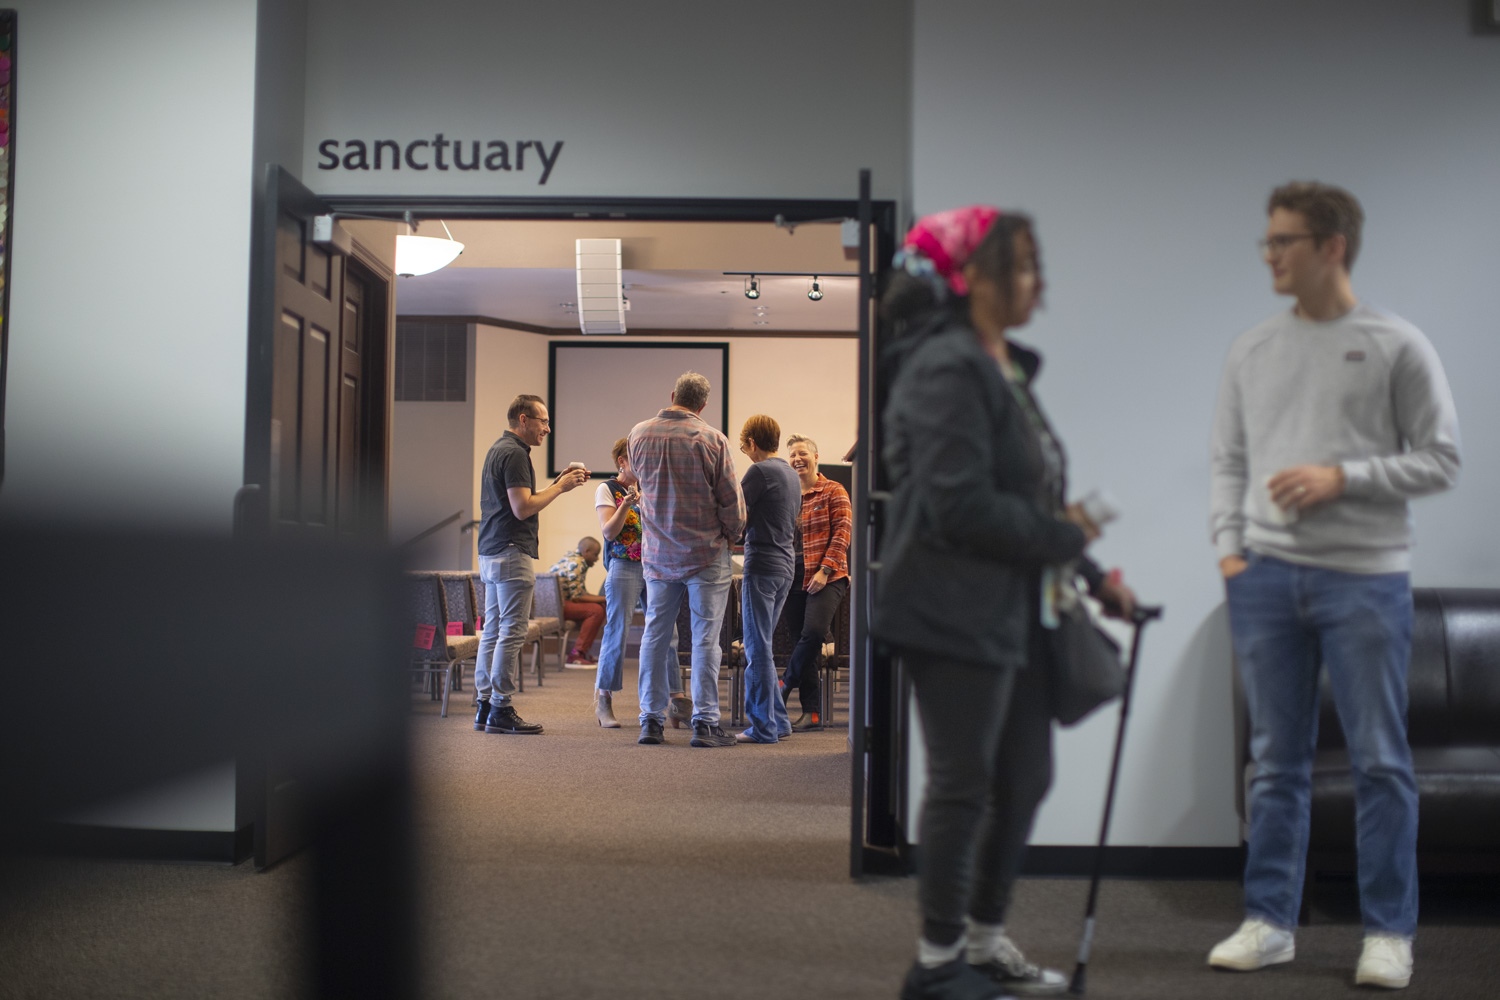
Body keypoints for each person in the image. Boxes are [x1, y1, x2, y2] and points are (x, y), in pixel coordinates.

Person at [874, 206, 1136, 1000]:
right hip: (948, 609)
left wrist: (1091, 575)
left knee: (1024, 778)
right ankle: (938, 962)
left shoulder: (1003, 366)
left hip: (1015, 608)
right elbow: (964, 510)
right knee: (963, 783)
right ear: (973, 278)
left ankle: (985, 943)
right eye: (1023, 264)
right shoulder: (947, 366)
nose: (1039, 282)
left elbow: (1032, 497)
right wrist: (1071, 535)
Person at [1207, 182, 1461, 990]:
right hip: (1267, 580)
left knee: (1381, 760)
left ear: (1331, 247)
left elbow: (1442, 457)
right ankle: (1269, 921)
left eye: (1283, 241)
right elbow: (1229, 463)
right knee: (1275, 763)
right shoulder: (1252, 348)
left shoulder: (1397, 344)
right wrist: (1230, 554)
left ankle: (1388, 933)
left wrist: (1342, 477)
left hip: (1366, 580)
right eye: (1268, 241)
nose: (1270, 255)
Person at [628, 371, 746, 748]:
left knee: (655, 638)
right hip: (705, 554)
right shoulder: (712, 439)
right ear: (703, 405)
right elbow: (732, 503)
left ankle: (650, 720)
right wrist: (732, 534)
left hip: (658, 556)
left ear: (674, 394)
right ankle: (705, 723)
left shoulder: (638, 434)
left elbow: (641, 487)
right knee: (705, 641)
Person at [474, 394, 590, 736]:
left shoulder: (499, 448)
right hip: (511, 551)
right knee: (511, 632)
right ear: (523, 419)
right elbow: (523, 508)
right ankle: (501, 707)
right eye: (543, 421)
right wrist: (561, 489)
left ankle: (484, 705)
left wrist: (556, 485)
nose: (547, 428)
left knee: (493, 631)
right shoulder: (515, 453)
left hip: (491, 550)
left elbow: (518, 498)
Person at [593, 436, 692, 729]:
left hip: (656, 566)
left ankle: (676, 701)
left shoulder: (652, 488)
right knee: (618, 630)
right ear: (622, 462)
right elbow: (610, 532)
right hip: (624, 565)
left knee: (668, 632)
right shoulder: (607, 488)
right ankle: (604, 699)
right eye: (636, 458)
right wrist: (626, 504)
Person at [733, 415, 801, 744]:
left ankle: (763, 727)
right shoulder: (790, 472)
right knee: (764, 646)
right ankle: (781, 721)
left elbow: (735, 513)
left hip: (761, 564)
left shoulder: (759, 471)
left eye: (744, 446)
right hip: (786, 565)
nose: (745, 452)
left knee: (756, 648)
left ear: (753, 444)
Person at [779, 434, 852, 731]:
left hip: (828, 575)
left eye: (802, 454)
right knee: (801, 641)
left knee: (814, 632)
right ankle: (812, 713)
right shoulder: (788, 494)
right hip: (792, 576)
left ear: (815, 457)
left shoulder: (833, 490)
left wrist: (824, 570)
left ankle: (784, 683)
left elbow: (843, 533)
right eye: (792, 455)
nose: (797, 459)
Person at [546, 537, 607, 666]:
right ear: (586, 551)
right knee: (596, 611)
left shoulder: (572, 559)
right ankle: (576, 654)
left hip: (552, 606)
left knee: (599, 606)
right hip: (557, 608)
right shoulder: (577, 563)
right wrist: (606, 599)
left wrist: (602, 600)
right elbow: (577, 597)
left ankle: (583, 653)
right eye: (595, 554)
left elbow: (580, 593)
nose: (597, 558)